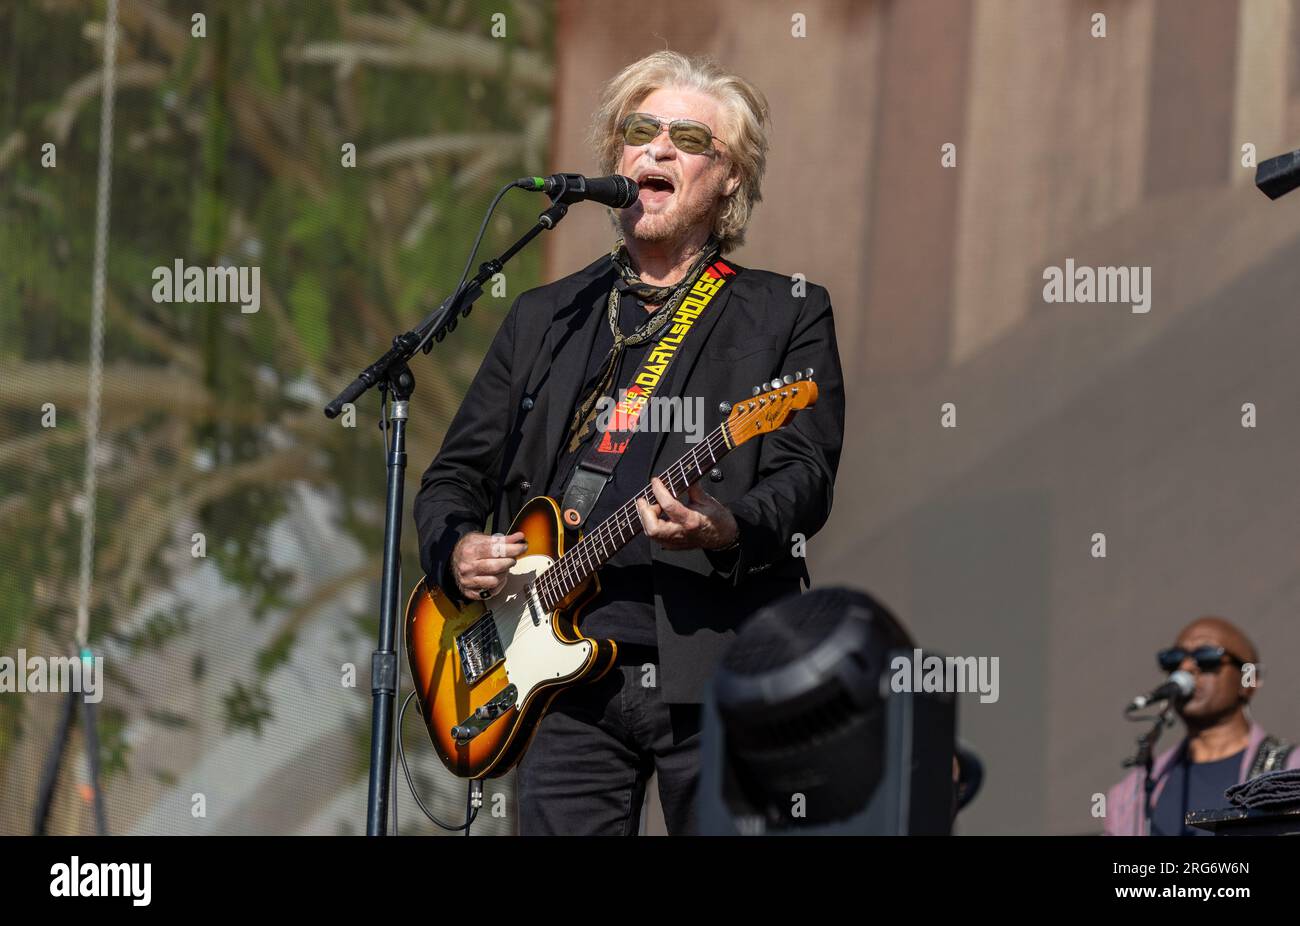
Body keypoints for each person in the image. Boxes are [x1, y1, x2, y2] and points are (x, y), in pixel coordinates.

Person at [413, 50, 844, 835]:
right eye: (640, 132)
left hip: (718, 663)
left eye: (689, 138)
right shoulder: (546, 316)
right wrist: (457, 551)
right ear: (616, 157)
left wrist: (729, 526)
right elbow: (453, 478)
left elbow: (805, 476)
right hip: (554, 681)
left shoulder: (786, 311)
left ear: (731, 178)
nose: (659, 148)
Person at [1104, 616, 1299, 835]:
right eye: (1174, 660)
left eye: (1206, 657)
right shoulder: (1130, 794)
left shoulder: (1292, 770)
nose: (1185, 667)